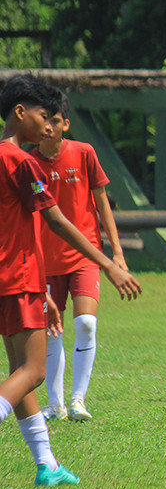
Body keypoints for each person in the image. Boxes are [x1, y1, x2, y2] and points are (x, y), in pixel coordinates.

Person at [0, 74, 141, 486]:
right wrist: (110, 264)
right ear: (20, 112)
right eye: (42, 116)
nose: (48, 125)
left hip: (16, 278)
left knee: (19, 372)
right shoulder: (21, 161)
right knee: (33, 372)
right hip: (19, 276)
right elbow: (57, 221)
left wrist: (43, 289)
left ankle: (47, 464)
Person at [28, 90, 128, 422]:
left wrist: (117, 252)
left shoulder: (84, 153)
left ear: (66, 125)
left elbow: (102, 204)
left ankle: (78, 400)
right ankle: (55, 404)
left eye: (55, 121)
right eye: (44, 120)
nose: (48, 127)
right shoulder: (28, 162)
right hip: (45, 260)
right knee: (51, 331)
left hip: (86, 256)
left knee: (85, 323)